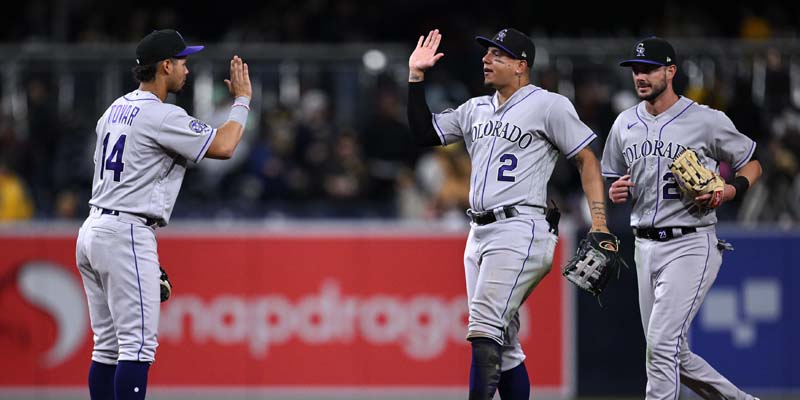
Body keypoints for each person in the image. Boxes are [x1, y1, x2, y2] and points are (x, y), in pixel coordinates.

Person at [407, 28, 611, 399]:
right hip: (479, 231)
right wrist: (416, 77)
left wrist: (599, 223)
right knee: (506, 345)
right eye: (486, 54)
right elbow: (425, 132)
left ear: (521, 66)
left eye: (497, 55)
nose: (486, 59)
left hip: (521, 227)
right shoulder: (476, 108)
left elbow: (587, 159)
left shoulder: (549, 105)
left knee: (484, 328)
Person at [74, 29, 252, 400]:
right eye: (182, 62)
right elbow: (225, 145)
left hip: (94, 228)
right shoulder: (162, 115)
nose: (187, 69)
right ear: (165, 66)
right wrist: (243, 101)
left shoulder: (114, 109)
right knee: (137, 347)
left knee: (107, 347)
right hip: (126, 231)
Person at [602, 37, 762, 400]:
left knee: (660, 346)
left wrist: (730, 190)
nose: (640, 76)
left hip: (691, 241)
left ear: (670, 71)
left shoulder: (705, 119)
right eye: (635, 70)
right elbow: (613, 176)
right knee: (671, 352)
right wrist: (616, 191)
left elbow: (752, 163)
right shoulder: (625, 123)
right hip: (643, 244)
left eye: (649, 69)